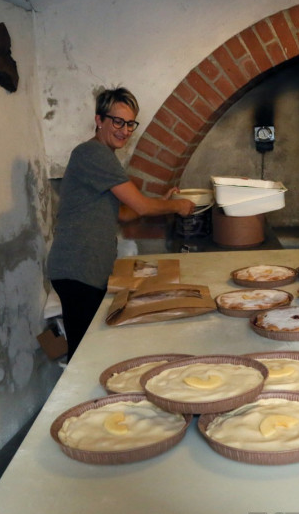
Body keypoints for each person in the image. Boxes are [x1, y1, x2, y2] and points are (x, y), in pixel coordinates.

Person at [47, 87, 194, 361]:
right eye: (117, 121)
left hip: (85, 271)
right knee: (84, 355)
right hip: (77, 270)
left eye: (130, 124)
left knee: (91, 349)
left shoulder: (103, 157)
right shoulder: (93, 153)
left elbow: (124, 213)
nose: (125, 130)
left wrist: (159, 200)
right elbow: (139, 206)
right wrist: (177, 205)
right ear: (99, 120)